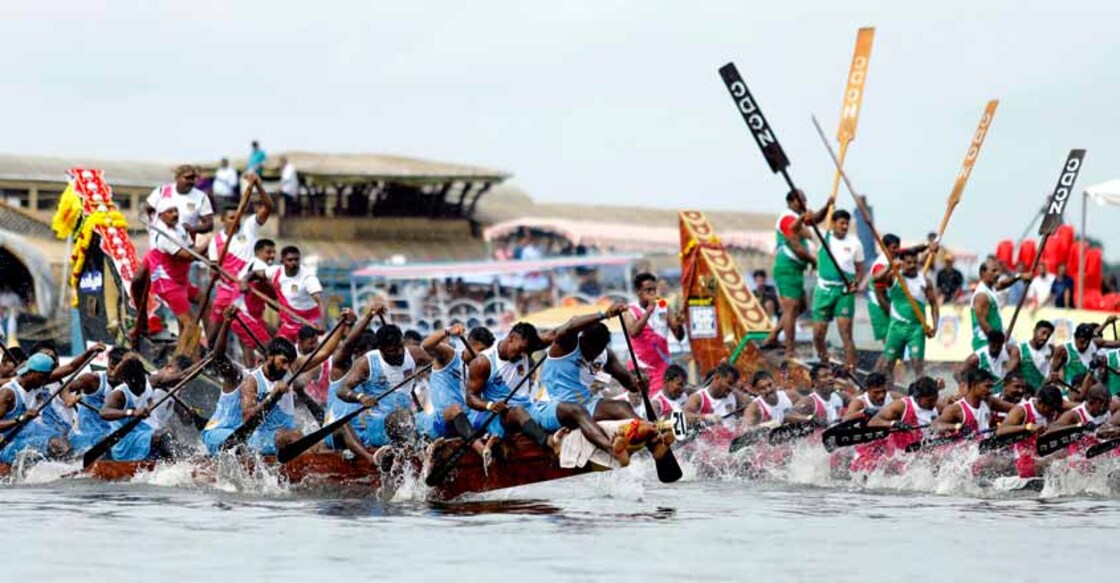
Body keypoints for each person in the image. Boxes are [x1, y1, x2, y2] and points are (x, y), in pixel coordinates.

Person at [532, 305, 652, 465]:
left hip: (585, 405)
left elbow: (631, 384)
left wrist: (640, 382)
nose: (592, 355)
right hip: (550, 407)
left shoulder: (605, 355)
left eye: (597, 351)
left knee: (622, 406)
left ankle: (652, 435)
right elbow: (568, 328)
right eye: (589, 349)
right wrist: (604, 314)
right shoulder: (566, 344)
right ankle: (614, 451)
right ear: (582, 340)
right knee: (577, 410)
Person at [335, 323, 435, 448]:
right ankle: (418, 449)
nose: (399, 353)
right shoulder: (366, 363)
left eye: (400, 347)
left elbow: (440, 364)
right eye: (392, 351)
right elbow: (342, 389)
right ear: (381, 348)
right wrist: (360, 397)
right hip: (379, 425)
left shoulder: (415, 354)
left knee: (443, 415)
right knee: (401, 417)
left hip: (410, 419)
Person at [207, 175, 273, 357]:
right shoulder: (216, 241)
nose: (235, 220)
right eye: (231, 217)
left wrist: (259, 186)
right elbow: (212, 270)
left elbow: (269, 207)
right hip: (225, 291)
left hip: (246, 290)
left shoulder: (249, 227)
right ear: (223, 219)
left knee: (247, 338)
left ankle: (250, 368)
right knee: (213, 335)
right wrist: (214, 270)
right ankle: (207, 361)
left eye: (237, 216)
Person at [415, 324, 496, 463]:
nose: (482, 356)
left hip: (465, 422)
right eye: (480, 351)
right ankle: (482, 450)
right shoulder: (450, 355)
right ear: (469, 344)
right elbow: (427, 346)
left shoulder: (482, 368)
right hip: (440, 421)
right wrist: (448, 331)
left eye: (486, 353)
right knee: (455, 409)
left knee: (495, 412)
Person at [760, 189, 818, 359]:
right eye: (802, 200)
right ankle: (789, 350)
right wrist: (814, 261)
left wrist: (826, 207)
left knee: (801, 306)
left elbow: (810, 232)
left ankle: (773, 336)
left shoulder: (796, 219)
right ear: (792, 202)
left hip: (796, 269)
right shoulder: (787, 218)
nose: (805, 204)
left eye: (805, 200)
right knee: (791, 308)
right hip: (788, 268)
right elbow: (797, 248)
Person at [809, 209, 864, 370]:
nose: (845, 226)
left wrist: (856, 283)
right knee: (818, 335)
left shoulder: (855, 243)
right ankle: (824, 361)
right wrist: (811, 216)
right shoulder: (821, 237)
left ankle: (851, 367)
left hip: (844, 292)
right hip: (824, 290)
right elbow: (803, 226)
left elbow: (860, 269)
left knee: (846, 333)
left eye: (847, 223)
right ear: (833, 224)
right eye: (841, 223)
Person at [147, 197, 209, 338]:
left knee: (204, 299)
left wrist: (211, 258)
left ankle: (210, 342)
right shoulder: (163, 235)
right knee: (190, 324)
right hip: (167, 283)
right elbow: (188, 255)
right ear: (161, 215)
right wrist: (208, 243)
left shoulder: (180, 228)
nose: (175, 214)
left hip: (181, 280)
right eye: (170, 212)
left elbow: (193, 249)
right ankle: (183, 352)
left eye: (175, 210)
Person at [877, 248, 939, 377]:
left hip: (916, 329)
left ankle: (920, 389)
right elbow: (876, 279)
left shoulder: (925, 281)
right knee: (887, 365)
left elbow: (934, 304)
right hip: (896, 327)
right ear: (902, 263)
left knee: (918, 366)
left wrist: (935, 325)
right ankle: (888, 389)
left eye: (915, 262)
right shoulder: (894, 277)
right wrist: (890, 267)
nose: (912, 266)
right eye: (909, 263)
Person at [621, 272, 685, 396]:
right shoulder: (629, 310)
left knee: (657, 401)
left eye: (654, 290)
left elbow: (679, 337)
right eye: (648, 290)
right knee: (638, 401)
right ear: (638, 292)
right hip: (639, 366)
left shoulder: (663, 305)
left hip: (661, 366)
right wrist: (648, 311)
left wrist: (679, 324)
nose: (652, 293)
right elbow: (633, 332)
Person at [248, 246, 326, 343]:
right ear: (282, 261)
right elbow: (255, 273)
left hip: (308, 323)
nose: (294, 263)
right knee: (279, 347)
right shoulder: (276, 271)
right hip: (289, 323)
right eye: (290, 260)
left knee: (305, 350)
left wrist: (322, 324)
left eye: (296, 259)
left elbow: (321, 301)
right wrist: (244, 281)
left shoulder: (308, 278)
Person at [0, 354, 69, 462]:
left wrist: (90, 352)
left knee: (66, 441)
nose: (44, 382)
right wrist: (21, 418)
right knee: (56, 445)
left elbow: (71, 367)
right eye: (41, 378)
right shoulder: (8, 393)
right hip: (12, 445)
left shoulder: (35, 385)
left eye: (46, 379)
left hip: (34, 438)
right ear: (30, 372)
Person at [67, 346, 131, 455]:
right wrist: (69, 398)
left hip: (111, 437)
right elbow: (65, 388)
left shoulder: (129, 386)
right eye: (111, 367)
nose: (113, 374)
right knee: (109, 441)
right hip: (85, 437)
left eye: (118, 370)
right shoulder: (92, 380)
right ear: (108, 363)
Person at [995, 384, 1064, 478]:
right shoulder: (1021, 410)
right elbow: (1000, 431)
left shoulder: (1053, 411)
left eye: (1054, 410)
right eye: (1050, 409)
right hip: (1022, 458)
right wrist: (1027, 427)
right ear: (1040, 402)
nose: (1052, 412)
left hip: (1041, 453)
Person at [143, 164, 215, 243]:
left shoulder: (201, 197)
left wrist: (192, 229)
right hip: (160, 243)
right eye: (187, 178)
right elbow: (147, 209)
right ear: (177, 178)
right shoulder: (162, 191)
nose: (191, 181)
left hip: (184, 245)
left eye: (193, 178)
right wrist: (152, 226)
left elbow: (209, 225)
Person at [970, 256, 1023, 350]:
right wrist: (997, 342)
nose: (998, 274)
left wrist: (1019, 276)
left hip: (994, 341)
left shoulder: (990, 289)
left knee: (1018, 350)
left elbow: (1003, 284)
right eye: (994, 271)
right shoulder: (982, 295)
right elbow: (983, 323)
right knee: (1016, 352)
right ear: (983, 273)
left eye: (998, 271)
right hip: (986, 343)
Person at [1050, 319, 1120, 387]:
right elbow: (1053, 374)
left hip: (1091, 390)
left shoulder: (1095, 343)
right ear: (1075, 337)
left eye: (1088, 342)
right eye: (1082, 342)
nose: (1085, 345)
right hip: (1072, 391)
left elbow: (1116, 344)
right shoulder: (1062, 350)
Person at [865, 234, 901, 344]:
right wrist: (893, 314)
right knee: (889, 343)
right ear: (885, 248)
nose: (896, 251)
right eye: (893, 248)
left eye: (898, 248)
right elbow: (880, 296)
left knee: (895, 343)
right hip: (880, 305)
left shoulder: (894, 259)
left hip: (889, 302)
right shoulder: (880, 265)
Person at [1018, 320, 1055, 392]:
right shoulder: (1020, 348)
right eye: (1043, 333)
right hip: (1025, 391)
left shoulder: (1051, 349)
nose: (1045, 337)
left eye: (1048, 335)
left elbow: (1056, 370)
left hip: (1043, 391)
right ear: (1034, 331)